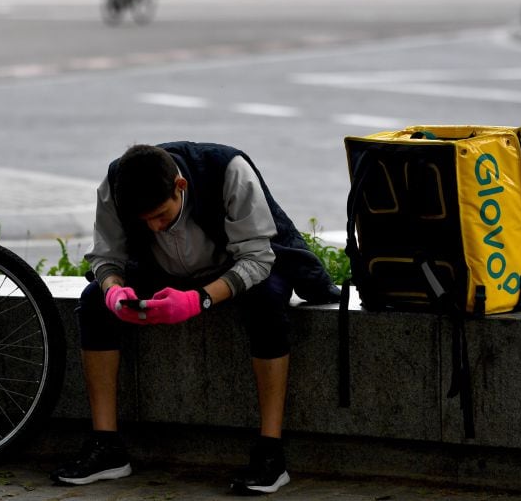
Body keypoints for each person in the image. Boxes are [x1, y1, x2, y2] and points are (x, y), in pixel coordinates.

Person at [51, 142, 341, 494]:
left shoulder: (229, 171)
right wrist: (114, 290)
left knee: (267, 304)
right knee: (94, 302)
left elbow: (257, 259)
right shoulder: (115, 185)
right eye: (145, 221)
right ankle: (107, 446)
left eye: (161, 215)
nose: (155, 227)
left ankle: (270, 453)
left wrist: (198, 300)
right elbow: (106, 257)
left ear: (180, 187)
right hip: (160, 268)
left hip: (237, 264)